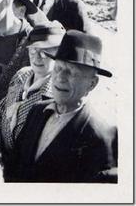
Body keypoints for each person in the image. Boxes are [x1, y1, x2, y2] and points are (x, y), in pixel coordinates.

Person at [7, 30, 117, 183]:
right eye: (58, 68)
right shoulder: (37, 111)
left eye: (71, 72)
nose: (60, 78)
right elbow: (13, 165)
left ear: (92, 84)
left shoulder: (101, 136)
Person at [0, 21, 66, 160]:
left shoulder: (56, 95)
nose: (37, 56)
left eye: (45, 51)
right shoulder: (21, 75)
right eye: (33, 49)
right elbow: (0, 114)